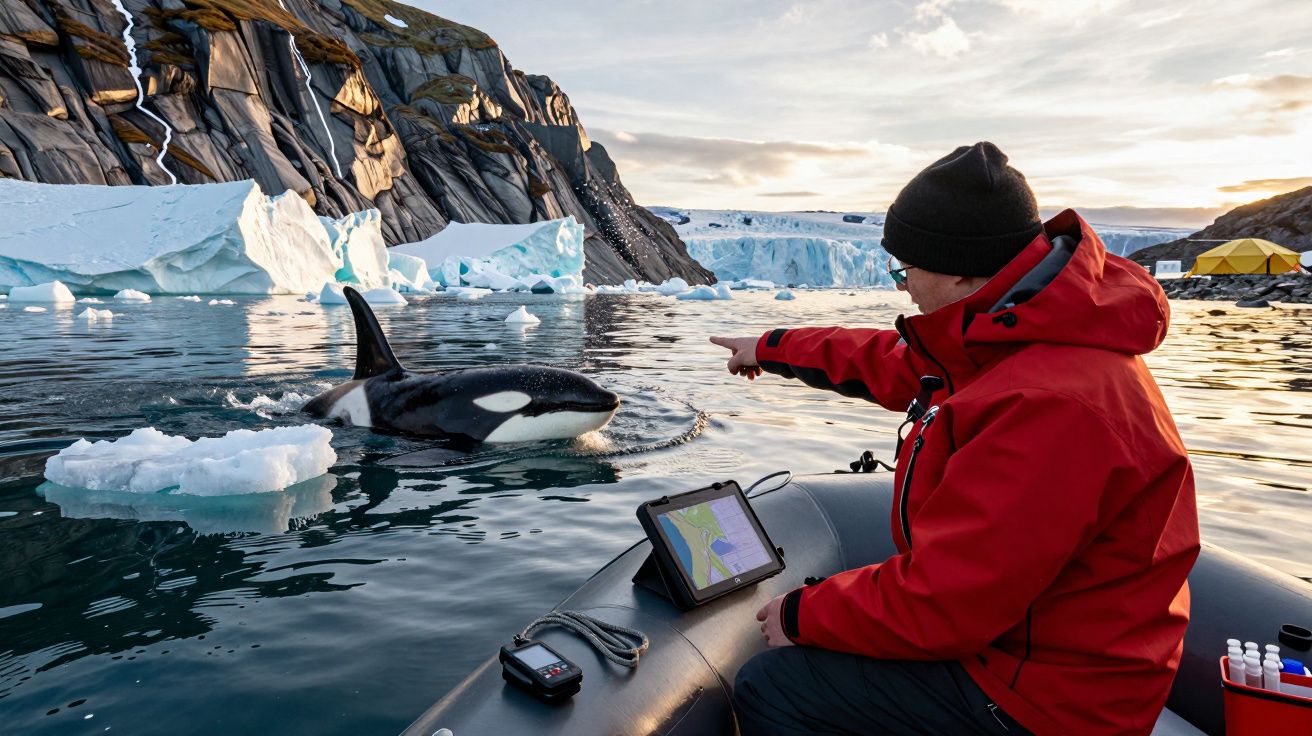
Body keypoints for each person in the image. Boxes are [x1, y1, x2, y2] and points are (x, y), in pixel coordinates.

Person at [710, 142, 1199, 735]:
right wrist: (771, 347)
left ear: (960, 266)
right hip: (1048, 655)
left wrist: (799, 612)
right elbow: (894, 360)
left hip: (1047, 702)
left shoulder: (1050, 406)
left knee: (777, 685)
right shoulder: (1019, 335)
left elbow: (949, 602)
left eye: (907, 270)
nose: (902, 287)